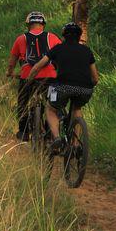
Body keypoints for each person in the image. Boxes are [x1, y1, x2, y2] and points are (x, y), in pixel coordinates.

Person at [28, 21, 98, 152]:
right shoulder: (87, 51)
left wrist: (29, 79)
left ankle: (56, 138)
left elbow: (38, 66)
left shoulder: (58, 48)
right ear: (79, 37)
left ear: (64, 36)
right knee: (77, 108)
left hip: (62, 87)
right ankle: (76, 144)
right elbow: (95, 78)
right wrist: (88, 86)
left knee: (50, 109)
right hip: (85, 89)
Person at [6, 11, 62, 141]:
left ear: (28, 25)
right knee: (53, 104)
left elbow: (12, 61)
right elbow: (61, 55)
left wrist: (9, 72)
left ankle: (23, 132)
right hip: (50, 76)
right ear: (43, 24)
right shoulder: (53, 37)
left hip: (27, 76)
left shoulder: (21, 39)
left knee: (23, 102)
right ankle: (52, 132)